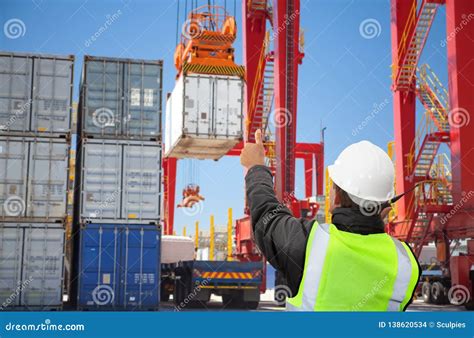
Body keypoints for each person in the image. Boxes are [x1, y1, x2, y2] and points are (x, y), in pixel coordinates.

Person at [240, 129, 420, 311]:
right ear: (387, 210)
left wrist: (256, 167)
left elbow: (265, 216)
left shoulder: (309, 244)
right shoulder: (406, 262)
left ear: (335, 200)